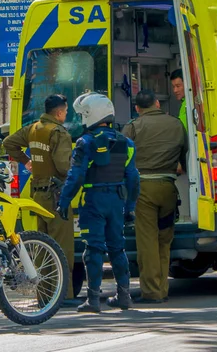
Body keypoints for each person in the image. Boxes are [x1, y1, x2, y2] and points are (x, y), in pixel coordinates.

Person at [57, 92, 140, 313]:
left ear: (91, 115)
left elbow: (76, 175)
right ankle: (124, 296)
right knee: (117, 248)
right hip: (117, 200)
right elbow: (133, 177)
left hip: (93, 200)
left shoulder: (86, 142)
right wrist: (130, 207)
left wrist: (64, 201)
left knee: (93, 249)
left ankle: (93, 300)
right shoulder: (126, 143)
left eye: (84, 114)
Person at [2, 94, 78, 307]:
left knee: (43, 247)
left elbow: (9, 143)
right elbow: (63, 167)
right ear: (60, 112)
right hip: (57, 195)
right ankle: (65, 295)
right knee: (62, 247)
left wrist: (27, 161)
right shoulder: (59, 133)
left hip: (38, 195)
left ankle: (45, 296)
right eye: (65, 111)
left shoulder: (33, 129)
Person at [122, 89, 187, 304]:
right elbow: (185, 155)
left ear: (137, 109)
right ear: (157, 104)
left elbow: (122, 156)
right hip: (169, 188)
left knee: (147, 241)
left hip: (145, 190)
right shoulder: (177, 124)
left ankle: (151, 291)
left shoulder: (133, 127)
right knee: (164, 239)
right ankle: (163, 289)